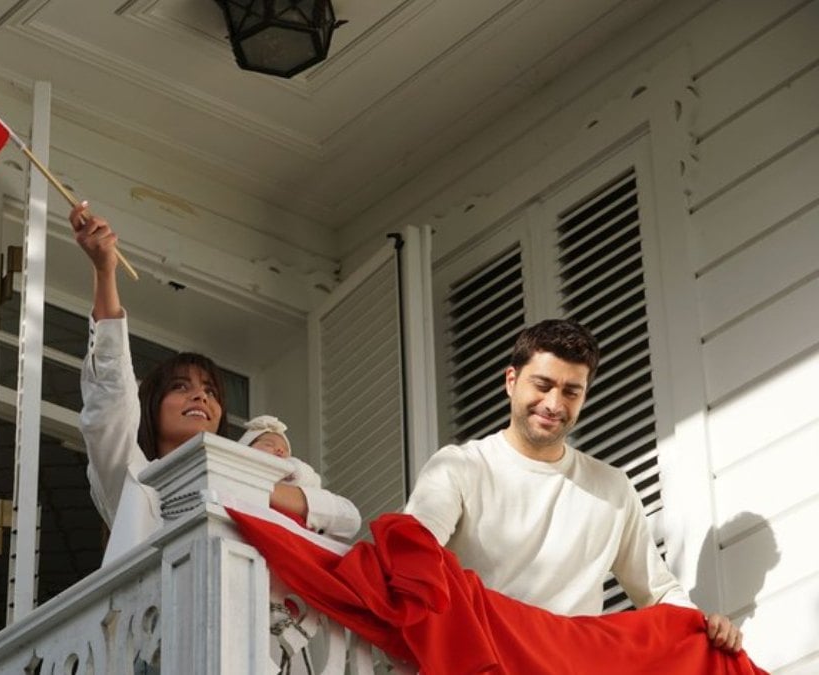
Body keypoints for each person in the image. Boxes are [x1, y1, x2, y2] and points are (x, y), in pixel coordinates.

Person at [403, 319, 743, 652]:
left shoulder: (612, 488)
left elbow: (658, 592)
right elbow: (409, 557)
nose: (554, 404)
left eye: (571, 392)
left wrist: (706, 627)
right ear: (511, 381)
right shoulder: (459, 467)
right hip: (482, 662)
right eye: (542, 385)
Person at [71, 202, 354, 563]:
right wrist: (105, 271)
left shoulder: (243, 483)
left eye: (210, 391)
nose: (200, 397)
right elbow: (110, 397)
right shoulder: (131, 476)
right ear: (151, 407)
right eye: (180, 386)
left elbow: (347, 518)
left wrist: (250, 487)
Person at [237, 414, 361, 539]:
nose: (279, 450)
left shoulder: (293, 477)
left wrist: (293, 473)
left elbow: (351, 519)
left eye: (285, 449)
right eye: (269, 444)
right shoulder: (236, 482)